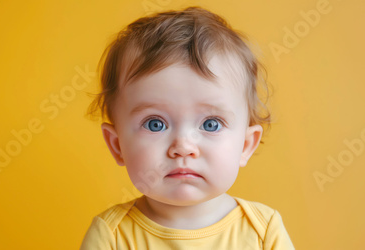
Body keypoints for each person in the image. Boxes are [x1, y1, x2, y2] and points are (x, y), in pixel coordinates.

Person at [80, 6, 294, 249]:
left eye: (211, 124)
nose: (183, 147)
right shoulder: (112, 235)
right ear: (117, 145)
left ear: (245, 145)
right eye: (155, 124)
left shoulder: (263, 231)